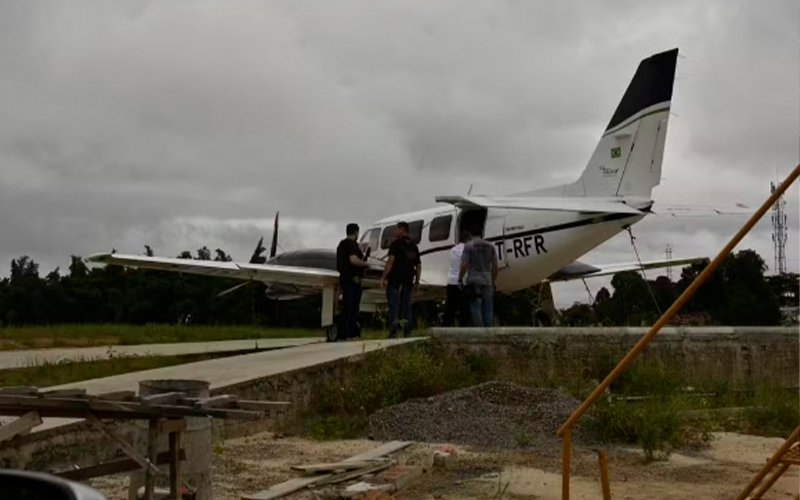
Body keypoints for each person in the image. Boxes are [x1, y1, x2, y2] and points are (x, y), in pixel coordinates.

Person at [380, 221, 421, 338]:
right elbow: (418, 266)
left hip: (395, 280)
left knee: (394, 306)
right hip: (408, 280)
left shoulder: (395, 245)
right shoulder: (414, 246)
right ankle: (408, 331)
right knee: (407, 306)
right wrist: (417, 281)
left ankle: (393, 331)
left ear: (402, 229)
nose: (395, 231)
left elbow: (390, 262)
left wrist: (383, 277)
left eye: (396, 229)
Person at [336, 223, 369, 340]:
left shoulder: (342, 244)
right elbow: (353, 260)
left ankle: (343, 332)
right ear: (356, 232)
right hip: (352, 280)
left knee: (346, 307)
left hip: (344, 279)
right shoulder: (352, 245)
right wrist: (365, 264)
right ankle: (352, 333)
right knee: (352, 307)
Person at [459, 231, 498, 327]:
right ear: (481, 234)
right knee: (488, 307)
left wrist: (460, 278)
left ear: (471, 235)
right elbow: (495, 266)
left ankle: (480, 331)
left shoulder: (468, 246)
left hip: (473, 280)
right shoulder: (490, 246)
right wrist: (492, 281)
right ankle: (488, 331)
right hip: (487, 280)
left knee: (476, 306)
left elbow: (464, 264)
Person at [443, 231, 472, 327]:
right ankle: (463, 327)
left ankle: (446, 326)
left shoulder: (453, 249)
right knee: (464, 306)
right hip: (462, 281)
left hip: (451, 281)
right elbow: (464, 265)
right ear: (468, 239)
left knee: (450, 307)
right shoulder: (467, 250)